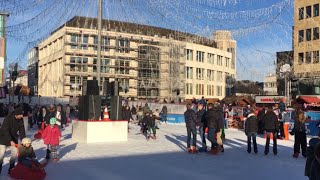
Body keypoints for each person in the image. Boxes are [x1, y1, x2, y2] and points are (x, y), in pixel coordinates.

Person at [0, 107, 26, 174]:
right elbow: (5, 130)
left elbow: (22, 130)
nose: (22, 116)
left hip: (13, 137)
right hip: (3, 137)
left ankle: (11, 167)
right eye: (20, 115)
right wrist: (10, 140)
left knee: (14, 152)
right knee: (1, 154)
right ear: (17, 114)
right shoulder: (8, 119)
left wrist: (23, 140)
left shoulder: (20, 119)